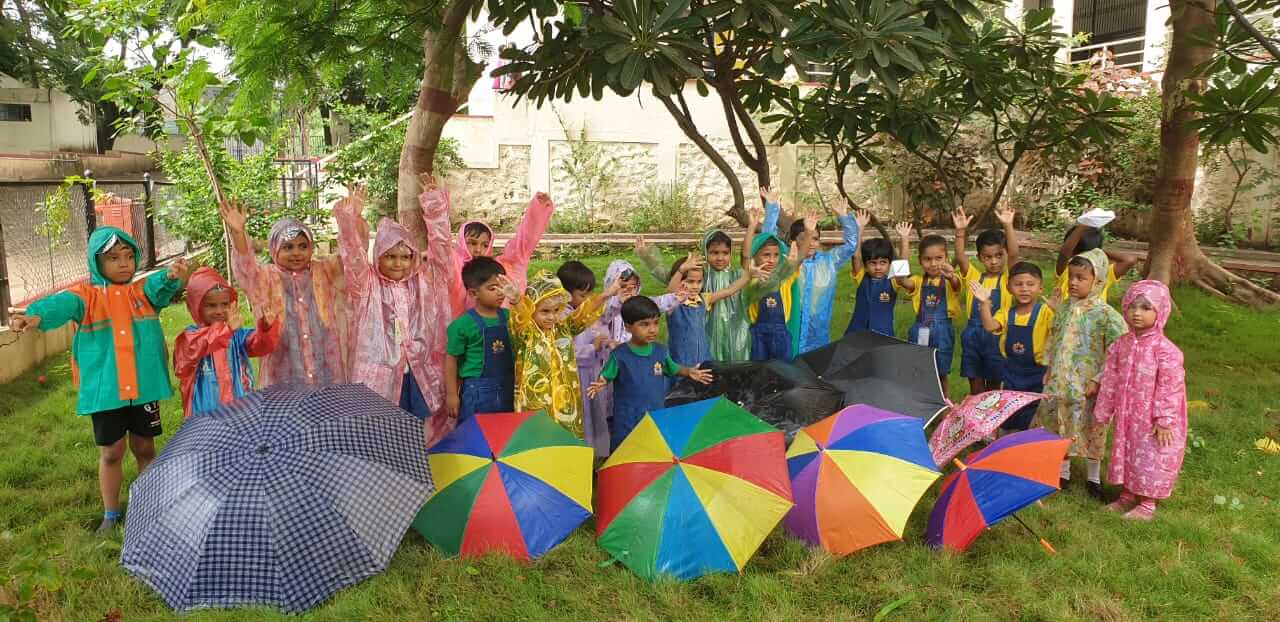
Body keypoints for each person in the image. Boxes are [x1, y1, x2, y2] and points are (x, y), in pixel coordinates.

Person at [9, 227, 189, 534]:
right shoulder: (86, 297)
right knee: (111, 452)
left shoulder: (141, 293)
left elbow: (160, 285)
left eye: (129, 256)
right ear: (96, 262)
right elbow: (59, 304)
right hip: (106, 391)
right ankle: (111, 512)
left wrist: (174, 276)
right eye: (114, 258)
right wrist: (35, 316)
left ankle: (148, 506)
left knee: (145, 448)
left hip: (144, 389)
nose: (124, 263)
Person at [335, 180, 457, 445]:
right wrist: (349, 218)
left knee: (421, 429)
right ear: (378, 256)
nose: (398, 263)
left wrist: (435, 206)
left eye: (405, 256)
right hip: (379, 376)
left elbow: (442, 251)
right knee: (383, 432)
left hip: (420, 371)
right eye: (390, 256)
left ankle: (420, 468)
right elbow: (352, 254)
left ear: (414, 256)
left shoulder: (425, 282)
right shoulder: (366, 284)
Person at [219, 200, 347, 387]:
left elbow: (352, 260)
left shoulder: (325, 271)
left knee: (328, 411)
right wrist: (238, 233)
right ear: (274, 250)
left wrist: (350, 220)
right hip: (282, 369)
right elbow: (246, 269)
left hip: (325, 367)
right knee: (286, 412)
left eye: (303, 246)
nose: (296, 253)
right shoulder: (266, 278)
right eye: (288, 247)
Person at [1094, 280, 1187, 521]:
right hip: (1128, 415)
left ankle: (1147, 502)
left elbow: (1171, 387)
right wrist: (1103, 410)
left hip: (1153, 419)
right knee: (1129, 451)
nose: (1137, 313)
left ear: (1160, 311)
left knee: (1151, 456)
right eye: (1133, 306)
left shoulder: (1166, 351)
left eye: (1146, 308)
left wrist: (1165, 418)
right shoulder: (1120, 346)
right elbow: (1110, 379)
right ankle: (1127, 494)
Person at [1043, 249, 1128, 499]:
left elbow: (1117, 351)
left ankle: (1093, 477)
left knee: (1093, 426)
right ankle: (1063, 471)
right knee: (1062, 422)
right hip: (1061, 381)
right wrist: (1049, 369)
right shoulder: (1065, 308)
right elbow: (1054, 337)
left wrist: (1099, 379)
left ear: (1098, 281)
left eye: (1081, 277)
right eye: (1071, 276)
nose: (1073, 282)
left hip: (1088, 384)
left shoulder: (1106, 315)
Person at [577, 260, 680, 457]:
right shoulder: (606, 308)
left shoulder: (639, 310)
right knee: (613, 407)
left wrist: (677, 297)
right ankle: (613, 447)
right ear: (612, 285)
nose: (628, 292)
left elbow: (657, 304)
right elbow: (604, 318)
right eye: (623, 287)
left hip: (638, 366)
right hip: (613, 363)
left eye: (633, 287)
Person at [587, 296, 714, 450]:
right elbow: (607, 375)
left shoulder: (660, 351)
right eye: (644, 325)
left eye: (655, 323)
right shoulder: (620, 355)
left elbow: (672, 368)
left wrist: (689, 372)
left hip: (655, 413)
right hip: (628, 418)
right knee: (628, 450)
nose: (652, 329)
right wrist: (601, 382)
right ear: (628, 326)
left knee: (653, 449)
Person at [506, 270, 620, 436]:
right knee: (536, 436)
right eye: (545, 311)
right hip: (535, 399)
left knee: (565, 435)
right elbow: (520, 321)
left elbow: (583, 314)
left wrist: (606, 295)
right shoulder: (527, 333)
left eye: (556, 310)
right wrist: (517, 302)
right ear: (532, 309)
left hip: (565, 398)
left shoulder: (563, 328)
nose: (552, 317)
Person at [761, 188, 859, 354]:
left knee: (813, 370)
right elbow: (766, 240)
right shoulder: (786, 260)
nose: (811, 243)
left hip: (817, 333)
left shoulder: (830, 261)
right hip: (789, 326)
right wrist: (772, 207)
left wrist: (844, 216)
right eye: (805, 237)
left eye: (815, 238)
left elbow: (851, 245)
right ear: (793, 241)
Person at [173, 267, 280, 419]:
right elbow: (196, 348)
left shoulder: (236, 335)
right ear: (195, 306)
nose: (219, 311)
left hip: (240, 407)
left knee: (239, 440)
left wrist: (266, 328)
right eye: (211, 305)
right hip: (205, 412)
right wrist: (226, 330)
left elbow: (260, 346)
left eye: (224, 304)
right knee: (210, 442)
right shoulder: (190, 337)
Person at [968, 262, 1054, 431]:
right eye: (1018, 284)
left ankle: (1030, 441)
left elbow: (1061, 332)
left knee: (1034, 412)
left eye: (1030, 284)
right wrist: (985, 304)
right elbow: (990, 326)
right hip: (1012, 371)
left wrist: (1061, 312)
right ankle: (1008, 440)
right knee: (1010, 410)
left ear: (1040, 288)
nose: (1024, 289)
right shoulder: (1006, 313)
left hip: (1038, 372)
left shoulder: (1046, 312)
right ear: (1009, 288)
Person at [662, 223, 761, 369]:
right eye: (714, 253)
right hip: (689, 351)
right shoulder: (702, 273)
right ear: (705, 252)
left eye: (725, 253)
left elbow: (730, 289)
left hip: (727, 338)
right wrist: (682, 270)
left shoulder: (705, 297)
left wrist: (748, 276)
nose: (720, 258)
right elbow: (670, 293)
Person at [449, 192, 555, 314]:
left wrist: (539, 209)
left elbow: (523, 243)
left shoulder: (499, 267)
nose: (478, 250)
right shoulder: (453, 265)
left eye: (485, 245)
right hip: (461, 329)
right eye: (472, 243)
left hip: (499, 327)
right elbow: (440, 247)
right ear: (461, 242)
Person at [954, 205, 1019, 394]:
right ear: (980, 258)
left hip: (997, 336)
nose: (994, 261)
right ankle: (975, 420)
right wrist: (960, 232)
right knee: (974, 383)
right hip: (972, 336)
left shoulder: (1008, 279)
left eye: (999, 255)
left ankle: (992, 422)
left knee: (993, 386)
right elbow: (960, 257)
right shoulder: (973, 276)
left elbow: (1014, 254)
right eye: (988, 257)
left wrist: (1008, 225)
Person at [445, 257, 515, 421]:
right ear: (473, 293)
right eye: (492, 288)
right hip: (477, 392)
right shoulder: (462, 325)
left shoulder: (511, 318)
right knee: (475, 437)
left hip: (510, 387)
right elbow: (451, 360)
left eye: (502, 287)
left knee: (505, 436)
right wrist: (452, 395)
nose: (500, 292)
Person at [897, 224, 963, 395]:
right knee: (920, 371)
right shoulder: (918, 282)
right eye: (927, 259)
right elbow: (900, 278)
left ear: (946, 258)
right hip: (920, 330)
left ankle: (944, 409)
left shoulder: (951, 281)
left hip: (943, 332)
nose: (933, 263)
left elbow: (956, 284)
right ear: (920, 261)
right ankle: (922, 405)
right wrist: (904, 240)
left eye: (939, 258)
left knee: (941, 373)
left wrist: (951, 276)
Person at [844, 208, 903, 337]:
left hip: (883, 336)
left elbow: (903, 266)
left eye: (883, 263)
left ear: (889, 264)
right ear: (865, 265)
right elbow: (856, 256)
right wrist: (860, 228)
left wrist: (904, 239)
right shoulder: (861, 277)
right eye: (873, 263)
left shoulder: (893, 281)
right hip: (857, 334)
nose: (878, 267)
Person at [745, 224, 801, 361]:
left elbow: (795, 264)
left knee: (783, 370)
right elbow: (759, 287)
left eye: (776, 255)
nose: (771, 260)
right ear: (755, 256)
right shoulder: (751, 280)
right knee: (759, 369)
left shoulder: (785, 278)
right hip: (759, 335)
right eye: (766, 255)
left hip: (781, 333)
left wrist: (809, 232)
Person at [1055, 221, 1139, 303]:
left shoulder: (1103, 273)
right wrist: (1082, 227)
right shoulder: (1068, 269)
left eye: (1080, 278)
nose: (1073, 282)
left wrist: (1096, 251)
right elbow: (1064, 254)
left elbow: (1130, 260)